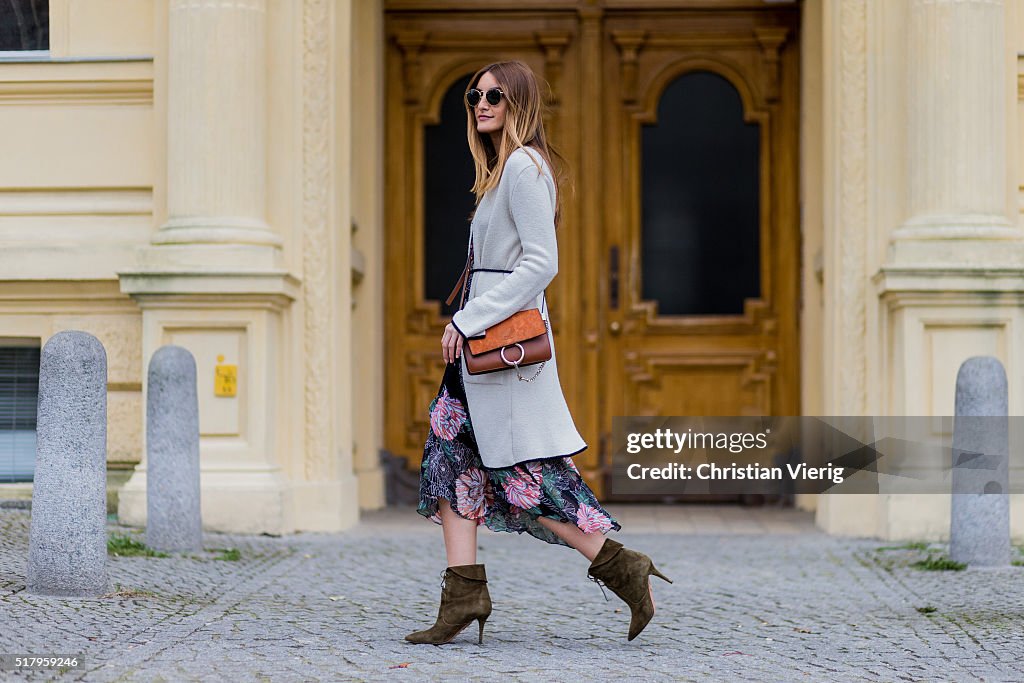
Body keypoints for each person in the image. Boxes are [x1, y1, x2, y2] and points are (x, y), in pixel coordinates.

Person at [406, 60, 672, 646]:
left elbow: (540, 262)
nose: (481, 104)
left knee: (526, 477)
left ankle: (624, 567)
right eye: (474, 95)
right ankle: (463, 595)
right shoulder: (501, 171)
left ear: (519, 102)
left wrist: (470, 318)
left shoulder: (525, 167)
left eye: (494, 95)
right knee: (450, 465)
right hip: (476, 353)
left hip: (499, 349)